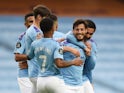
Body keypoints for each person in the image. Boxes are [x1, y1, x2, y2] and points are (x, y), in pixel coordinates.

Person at [15, 18, 83, 93]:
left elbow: (29, 57)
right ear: (53, 28)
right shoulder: (56, 45)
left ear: (41, 28)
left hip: (40, 81)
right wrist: (73, 62)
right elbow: (59, 64)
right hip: (54, 80)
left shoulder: (35, 43)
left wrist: (23, 61)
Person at [25, 4, 51, 93]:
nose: (48, 21)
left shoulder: (38, 30)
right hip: (37, 72)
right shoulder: (34, 32)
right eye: (46, 18)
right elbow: (45, 48)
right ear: (39, 17)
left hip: (36, 71)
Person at [66, 19, 97, 93]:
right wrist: (84, 47)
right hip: (70, 80)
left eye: (91, 34)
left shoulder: (91, 44)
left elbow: (90, 67)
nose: (88, 36)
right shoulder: (71, 39)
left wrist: (90, 54)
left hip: (84, 77)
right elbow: (68, 36)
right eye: (87, 33)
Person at [60, 19, 88, 93]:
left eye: (82, 29)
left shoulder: (85, 47)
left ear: (86, 31)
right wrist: (67, 49)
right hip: (66, 85)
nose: (79, 32)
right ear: (73, 31)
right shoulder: (66, 43)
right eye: (77, 29)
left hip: (79, 86)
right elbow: (54, 50)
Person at [14, 12, 34, 93]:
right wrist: (30, 59)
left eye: (34, 21)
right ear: (25, 24)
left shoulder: (41, 37)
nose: (33, 24)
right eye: (30, 22)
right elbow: (17, 57)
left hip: (38, 75)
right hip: (25, 76)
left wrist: (31, 62)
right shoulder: (23, 37)